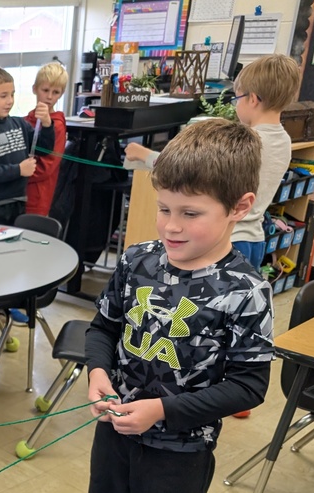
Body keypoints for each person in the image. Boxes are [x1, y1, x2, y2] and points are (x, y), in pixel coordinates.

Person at [55, 119, 274, 493]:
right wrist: (98, 370)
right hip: (115, 436)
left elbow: (250, 387)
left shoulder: (246, 290)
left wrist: (163, 411)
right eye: (165, 209)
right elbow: (102, 327)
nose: (172, 227)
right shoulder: (138, 261)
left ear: (238, 208)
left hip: (180, 452)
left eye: (190, 213)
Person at [125, 54, 298, 419]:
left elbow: (199, 180)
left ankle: (210, 391)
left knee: (212, 320)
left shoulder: (254, 141)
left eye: (237, 98)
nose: (171, 223)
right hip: (251, 234)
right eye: (166, 210)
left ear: (253, 98)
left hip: (231, 239)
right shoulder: (281, 138)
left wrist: (146, 156)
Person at [0, 66, 55, 336]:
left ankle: (7, 302)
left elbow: (45, 148)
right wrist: (18, 170)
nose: (9, 101)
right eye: (3, 95)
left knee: (10, 258)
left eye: (12, 94)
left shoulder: (19, 124)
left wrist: (48, 125)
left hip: (17, 203)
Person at [24, 61, 68, 217]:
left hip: (38, 196)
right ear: (35, 89)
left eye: (55, 92)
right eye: (45, 90)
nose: (49, 97)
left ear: (61, 94)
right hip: (17, 193)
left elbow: (46, 167)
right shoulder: (26, 120)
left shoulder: (57, 126)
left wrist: (15, 175)